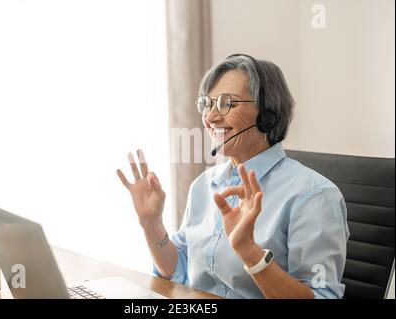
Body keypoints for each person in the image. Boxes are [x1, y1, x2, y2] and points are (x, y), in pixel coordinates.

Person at [116, 54, 349, 299]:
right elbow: (180, 268)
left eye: (227, 103)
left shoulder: (314, 196)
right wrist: (151, 224)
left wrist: (249, 251)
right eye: (207, 104)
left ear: (266, 114)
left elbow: (322, 296)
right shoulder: (204, 185)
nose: (211, 117)